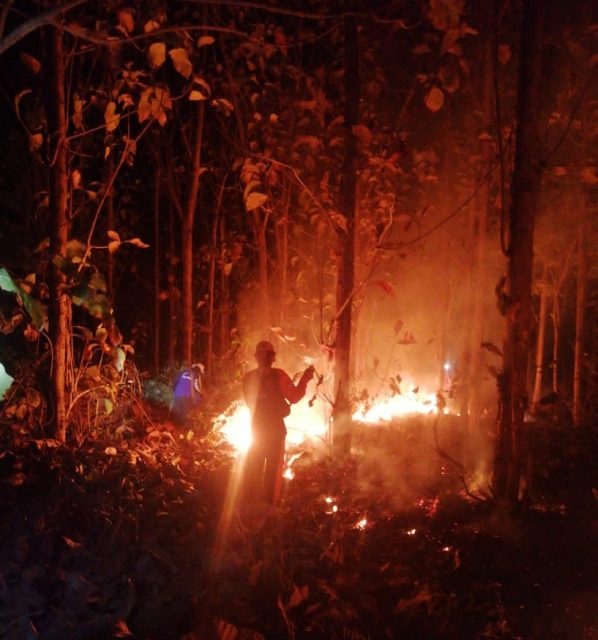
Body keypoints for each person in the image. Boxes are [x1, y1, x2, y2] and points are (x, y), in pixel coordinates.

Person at [242, 341, 314, 505]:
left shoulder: (248, 378)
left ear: (256, 358)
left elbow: (249, 402)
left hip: (256, 428)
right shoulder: (278, 376)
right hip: (275, 429)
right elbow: (294, 397)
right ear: (273, 358)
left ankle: (250, 501)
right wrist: (305, 379)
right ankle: (269, 506)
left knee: (254, 465)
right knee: (273, 471)